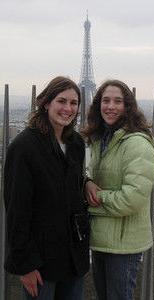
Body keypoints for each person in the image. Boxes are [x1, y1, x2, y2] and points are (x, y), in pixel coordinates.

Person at [4, 76, 89, 300]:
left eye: (74, 103)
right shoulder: (24, 147)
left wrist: (87, 182)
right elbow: (16, 210)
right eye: (62, 101)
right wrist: (25, 265)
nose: (68, 108)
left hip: (73, 256)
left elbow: (74, 185)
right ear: (46, 103)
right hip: (40, 261)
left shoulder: (76, 144)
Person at [83, 79, 154, 300]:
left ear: (128, 107)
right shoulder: (100, 139)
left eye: (118, 101)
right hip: (101, 239)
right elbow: (92, 177)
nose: (110, 106)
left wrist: (94, 199)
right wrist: (87, 183)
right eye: (105, 100)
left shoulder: (137, 144)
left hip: (124, 246)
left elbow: (132, 199)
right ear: (98, 105)